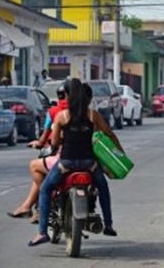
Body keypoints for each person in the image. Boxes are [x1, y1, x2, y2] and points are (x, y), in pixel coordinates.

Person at [29, 79, 123, 246]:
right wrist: (120, 152)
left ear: (68, 96)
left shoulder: (62, 116)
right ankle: (108, 224)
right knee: (102, 187)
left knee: (45, 189)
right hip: (89, 164)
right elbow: (109, 134)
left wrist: (56, 144)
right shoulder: (93, 115)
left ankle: (42, 232)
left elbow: (55, 143)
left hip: (66, 164)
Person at [7, 84, 69, 223]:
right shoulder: (87, 113)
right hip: (87, 160)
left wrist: (40, 143)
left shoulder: (55, 113)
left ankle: (40, 208)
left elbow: (50, 138)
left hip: (62, 158)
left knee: (36, 168)